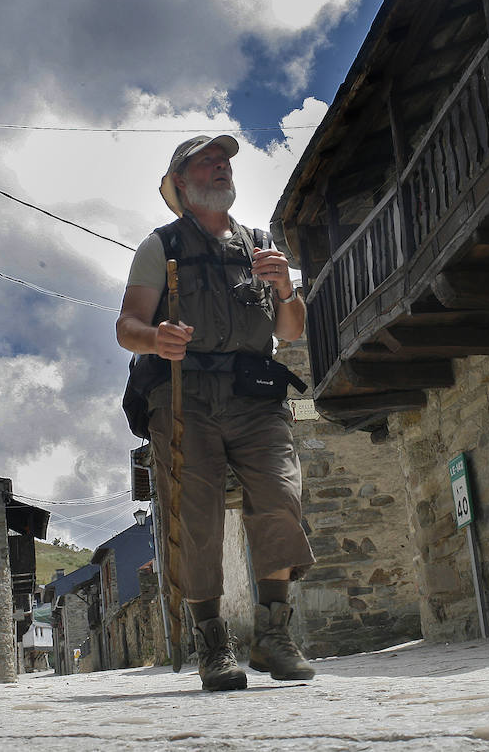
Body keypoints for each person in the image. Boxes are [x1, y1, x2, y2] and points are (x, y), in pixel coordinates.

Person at [116, 134, 316, 692]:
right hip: (185, 394)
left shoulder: (260, 246)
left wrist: (286, 289)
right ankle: (211, 642)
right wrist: (157, 339)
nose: (221, 167)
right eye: (206, 162)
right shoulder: (159, 247)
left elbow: (289, 330)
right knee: (194, 514)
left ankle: (273, 635)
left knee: (281, 497)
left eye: (224, 161)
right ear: (181, 183)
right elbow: (127, 326)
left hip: (255, 393)